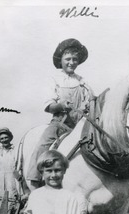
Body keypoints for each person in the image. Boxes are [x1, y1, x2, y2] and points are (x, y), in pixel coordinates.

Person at [27, 38, 94, 189]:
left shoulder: (82, 81)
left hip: (80, 126)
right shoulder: (54, 79)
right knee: (43, 143)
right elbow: (49, 106)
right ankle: (34, 181)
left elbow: (91, 100)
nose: (72, 62)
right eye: (68, 59)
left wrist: (89, 105)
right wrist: (61, 105)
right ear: (61, 60)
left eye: (75, 59)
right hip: (60, 123)